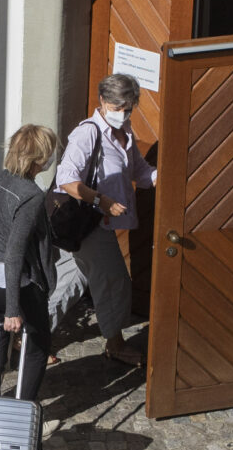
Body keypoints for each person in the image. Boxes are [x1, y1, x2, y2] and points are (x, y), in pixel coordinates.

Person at [52, 73, 157, 366]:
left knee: (70, 283)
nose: (122, 113)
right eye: (116, 106)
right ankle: (116, 344)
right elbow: (67, 179)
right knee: (115, 281)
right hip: (89, 223)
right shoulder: (88, 133)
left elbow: (139, 171)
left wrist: (166, 178)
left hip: (95, 225)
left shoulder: (126, 132)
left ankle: (29, 340)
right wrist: (102, 201)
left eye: (127, 107)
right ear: (102, 101)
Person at [0, 123, 61, 404]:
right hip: (14, 286)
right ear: (38, 160)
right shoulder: (31, 195)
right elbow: (14, 252)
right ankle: (22, 410)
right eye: (50, 153)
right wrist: (12, 310)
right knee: (37, 346)